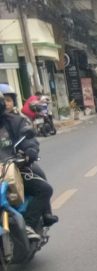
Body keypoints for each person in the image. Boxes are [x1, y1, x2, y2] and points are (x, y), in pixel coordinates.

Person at [0, 87, 57, 240]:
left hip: (13, 169)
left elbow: (27, 139)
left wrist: (30, 150)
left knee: (44, 189)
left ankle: (30, 224)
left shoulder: (14, 121)